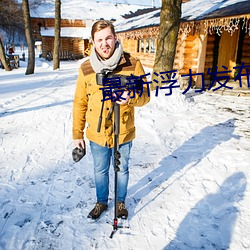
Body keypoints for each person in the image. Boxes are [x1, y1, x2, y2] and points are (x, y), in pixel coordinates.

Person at [72, 20, 150, 220]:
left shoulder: (132, 64)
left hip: (123, 131)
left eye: (108, 38)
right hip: (97, 134)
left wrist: (130, 97)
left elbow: (145, 96)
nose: (104, 43)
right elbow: (80, 102)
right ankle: (101, 202)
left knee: (122, 168)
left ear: (115, 38)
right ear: (93, 42)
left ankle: (121, 202)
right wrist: (77, 134)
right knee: (100, 170)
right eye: (99, 40)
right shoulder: (86, 68)